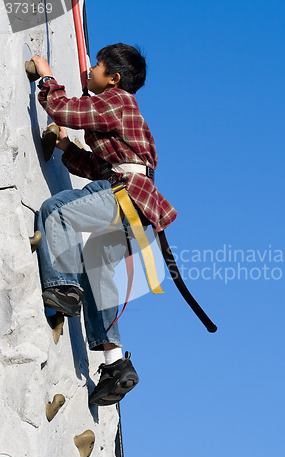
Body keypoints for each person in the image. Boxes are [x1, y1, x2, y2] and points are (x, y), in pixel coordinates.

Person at [31, 43, 177, 406]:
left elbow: (63, 108)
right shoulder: (121, 112)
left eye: (96, 66)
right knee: (97, 270)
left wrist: (47, 75)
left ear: (113, 78)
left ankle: (63, 287)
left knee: (57, 211)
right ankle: (115, 363)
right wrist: (66, 148)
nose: (90, 71)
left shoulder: (118, 101)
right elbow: (99, 169)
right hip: (138, 210)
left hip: (125, 196)